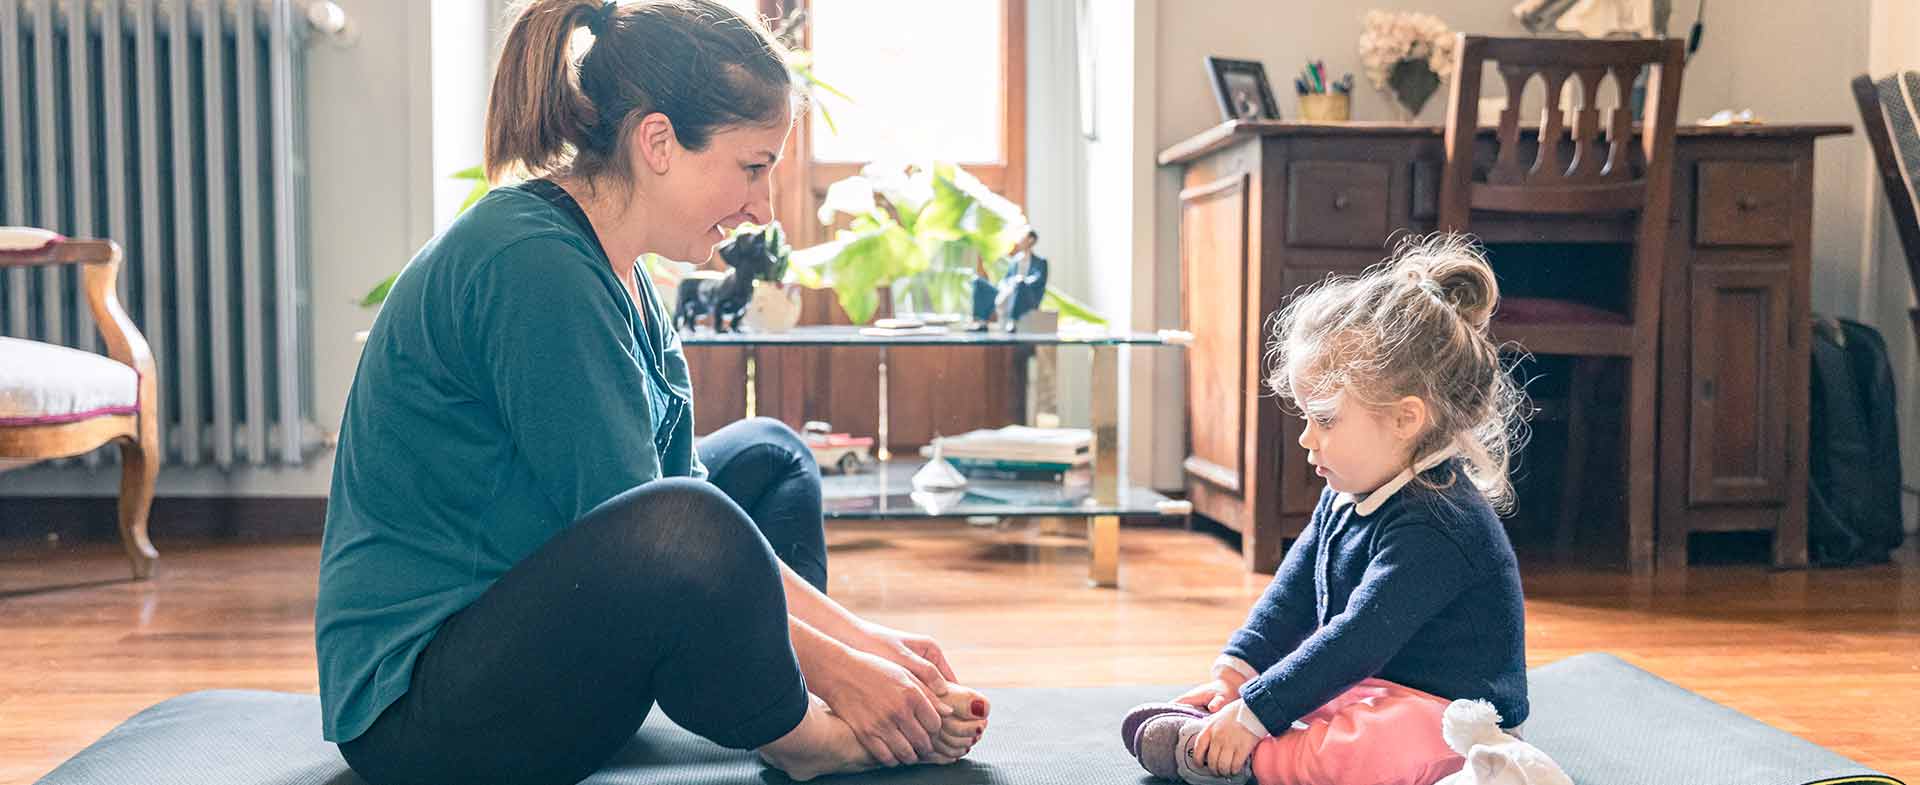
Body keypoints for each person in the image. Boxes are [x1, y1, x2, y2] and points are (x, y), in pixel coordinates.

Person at [315, 3, 986, 784]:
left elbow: (679, 492)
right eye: (752, 167)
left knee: (768, 458)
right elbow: (654, 521)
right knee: (689, 522)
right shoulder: (533, 265)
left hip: (534, 649)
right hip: (425, 714)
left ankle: (794, 690)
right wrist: (848, 674)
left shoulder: (623, 272)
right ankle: (803, 734)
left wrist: (866, 642)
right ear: (658, 141)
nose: (764, 209)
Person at [1124, 235, 1531, 785]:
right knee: (1310, 698)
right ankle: (1228, 732)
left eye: (1326, 419)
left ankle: (1249, 761)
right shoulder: (1348, 493)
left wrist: (1251, 720)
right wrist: (1236, 678)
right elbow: (1291, 594)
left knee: (1371, 747)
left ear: (1405, 418)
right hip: (1372, 683)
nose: (1306, 439)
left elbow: (1358, 637)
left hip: (1452, 715)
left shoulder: (1441, 526)